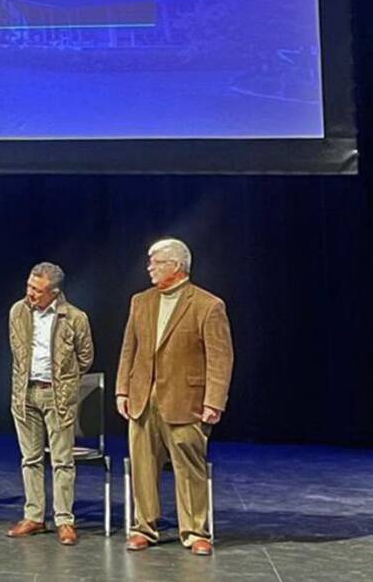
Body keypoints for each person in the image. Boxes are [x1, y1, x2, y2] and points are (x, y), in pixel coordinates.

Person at [116, 238, 233, 556]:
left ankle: (195, 531)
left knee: (189, 466)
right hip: (142, 398)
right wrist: (122, 390)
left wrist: (214, 401)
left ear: (176, 266)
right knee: (143, 464)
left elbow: (220, 358)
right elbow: (130, 349)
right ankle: (144, 527)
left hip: (185, 400)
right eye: (150, 261)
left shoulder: (207, 305)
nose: (149, 267)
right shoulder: (140, 301)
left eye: (156, 261)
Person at [6, 262, 94, 546]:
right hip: (25, 394)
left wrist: (64, 382)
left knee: (61, 461)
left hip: (57, 396)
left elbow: (85, 357)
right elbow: (17, 352)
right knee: (30, 458)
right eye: (29, 287)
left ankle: (64, 519)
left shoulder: (75, 317)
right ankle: (34, 516)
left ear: (54, 293)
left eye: (37, 290)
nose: (30, 294)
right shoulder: (18, 312)